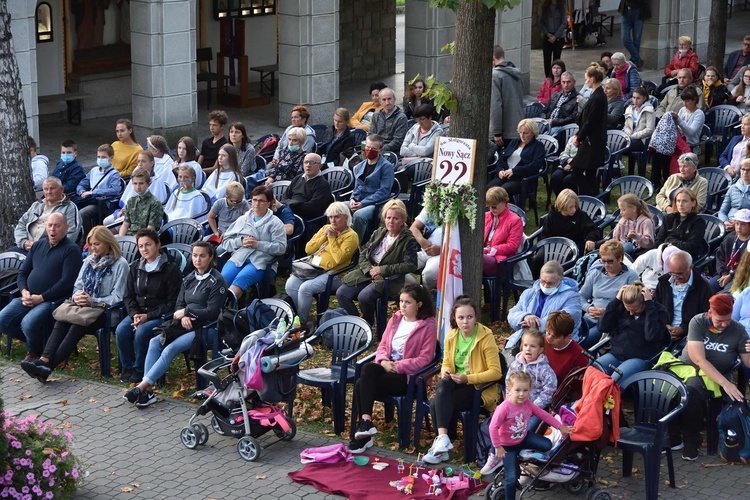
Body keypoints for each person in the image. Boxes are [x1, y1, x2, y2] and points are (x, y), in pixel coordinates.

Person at [124, 242, 228, 408]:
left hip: (205, 328)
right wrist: (183, 313)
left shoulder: (217, 281)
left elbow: (212, 312)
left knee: (170, 349)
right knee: (154, 342)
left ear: (210, 257)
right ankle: (148, 390)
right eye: (195, 255)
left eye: (202, 256)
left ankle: (142, 387)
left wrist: (188, 312)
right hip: (182, 325)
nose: (198, 259)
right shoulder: (189, 278)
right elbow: (178, 305)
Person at [20, 226, 128, 382]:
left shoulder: (120, 265)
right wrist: (78, 296)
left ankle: (47, 366)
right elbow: (77, 285)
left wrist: (93, 301)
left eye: (97, 244)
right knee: (62, 319)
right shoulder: (88, 261)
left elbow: (118, 297)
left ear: (107, 243)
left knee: (77, 325)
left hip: (105, 311)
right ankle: (44, 361)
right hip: (82, 307)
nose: (92, 248)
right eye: (90, 244)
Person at [349, 284, 437, 453]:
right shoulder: (395, 319)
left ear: (419, 304)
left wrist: (398, 366)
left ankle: (364, 436)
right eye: (401, 301)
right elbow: (382, 346)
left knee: (361, 384)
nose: (402, 306)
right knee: (367, 369)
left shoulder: (428, 326)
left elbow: (425, 359)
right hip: (387, 366)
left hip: (408, 376)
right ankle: (366, 422)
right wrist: (383, 361)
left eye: (407, 302)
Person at [423, 296, 503, 464]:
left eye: (469, 317)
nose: (465, 321)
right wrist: (445, 371)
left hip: (478, 388)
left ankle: (442, 446)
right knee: (443, 384)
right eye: (461, 317)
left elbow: (496, 373)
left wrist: (468, 378)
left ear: (475, 317)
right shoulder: (451, 335)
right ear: (455, 318)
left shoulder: (485, 336)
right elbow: (446, 363)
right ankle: (444, 439)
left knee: (435, 403)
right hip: (454, 384)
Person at [670, 294, 750, 461]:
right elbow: (699, 359)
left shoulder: (738, 330)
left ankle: (691, 442)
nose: (724, 324)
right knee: (662, 389)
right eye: (719, 320)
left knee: (690, 393)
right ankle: (672, 437)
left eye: (727, 319)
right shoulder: (698, 322)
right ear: (710, 313)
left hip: (713, 376)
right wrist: (726, 384)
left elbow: (747, 363)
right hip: (688, 368)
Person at [0, 213, 82, 360]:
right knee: (2, 320)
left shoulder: (71, 250)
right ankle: (40, 344)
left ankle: (34, 352)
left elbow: (66, 282)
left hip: (52, 300)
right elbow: (23, 272)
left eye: (57, 226)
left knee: (28, 323)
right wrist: (24, 291)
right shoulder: (38, 245)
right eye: (50, 225)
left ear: (66, 228)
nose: (53, 229)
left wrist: (41, 297)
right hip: (28, 296)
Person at [479, 371, 571, 494]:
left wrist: (560, 427)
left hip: (523, 438)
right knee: (511, 479)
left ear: (530, 390)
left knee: (548, 445)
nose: (522, 394)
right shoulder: (504, 408)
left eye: (525, 390)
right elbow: (492, 427)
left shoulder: (527, 403)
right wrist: (497, 446)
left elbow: (543, 414)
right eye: (517, 390)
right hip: (507, 447)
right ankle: (498, 460)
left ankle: (526, 462)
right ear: (509, 390)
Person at [115, 229, 182, 383]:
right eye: (140, 246)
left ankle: (140, 369)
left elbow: (172, 302)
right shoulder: (135, 266)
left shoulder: (170, 269)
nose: (144, 249)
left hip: (159, 315)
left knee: (142, 332)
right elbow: (128, 295)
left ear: (158, 245)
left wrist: (148, 316)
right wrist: (134, 314)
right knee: (121, 330)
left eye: (148, 245)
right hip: (138, 313)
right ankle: (127, 367)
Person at [336, 199, 417, 325]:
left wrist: (382, 270)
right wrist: (370, 270)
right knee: (342, 293)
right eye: (388, 217)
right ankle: (357, 324)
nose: (391, 221)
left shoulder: (408, 239)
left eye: (395, 218)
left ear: (403, 220)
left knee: (364, 297)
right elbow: (363, 254)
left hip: (389, 279)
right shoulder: (379, 232)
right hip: (369, 273)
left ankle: (367, 324)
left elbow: (411, 264)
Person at [285, 201, 358, 325]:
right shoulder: (325, 228)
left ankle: (301, 323)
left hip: (335, 274)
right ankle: (306, 317)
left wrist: (331, 238)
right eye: (330, 217)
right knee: (290, 285)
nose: (333, 221)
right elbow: (308, 249)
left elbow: (338, 259)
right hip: (314, 268)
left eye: (336, 217)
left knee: (305, 289)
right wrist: (324, 237)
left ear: (346, 217)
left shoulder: (351, 236)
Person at [220, 186, 287, 303]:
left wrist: (258, 245)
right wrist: (240, 241)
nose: (257, 203)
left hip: (261, 261)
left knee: (240, 279)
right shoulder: (243, 219)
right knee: (222, 280)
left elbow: (281, 248)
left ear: (269, 203)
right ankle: (214, 311)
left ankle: (226, 311)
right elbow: (225, 242)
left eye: (261, 201)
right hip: (240, 257)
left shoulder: (276, 223)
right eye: (254, 200)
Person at [597, 281, 669, 384]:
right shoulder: (620, 307)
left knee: (613, 381)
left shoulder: (659, 311)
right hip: (616, 354)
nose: (631, 313)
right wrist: (616, 301)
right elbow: (602, 327)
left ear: (644, 302)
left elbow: (651, 336)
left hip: (639, 357)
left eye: (635, 310)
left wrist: (649, 307)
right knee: (592, 372)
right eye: (628, 309)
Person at [507, 260, 582, 348]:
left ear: (560, 281)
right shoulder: (529, 293)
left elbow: (566, 319)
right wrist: (525, 316)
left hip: (556, 344)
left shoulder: (572, 296)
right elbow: (512, 313)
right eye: (542, 281)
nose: (545, 286)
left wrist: (535, 324)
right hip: (527, 340)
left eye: (550, 283)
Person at [580, 240, 640, 347]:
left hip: (610, 323)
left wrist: (608, 312)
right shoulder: (596, 273)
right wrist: (588, 308)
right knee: (569, 334)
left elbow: (634, 306)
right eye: (603, 261)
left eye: (610, 261)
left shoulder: (630, 276)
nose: (606, 265)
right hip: (589, 316)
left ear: (620, 258)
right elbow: (581, 296)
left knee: (583, 341)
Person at [654, 250, 712, 353]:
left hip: (690, 335)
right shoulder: (663, 283)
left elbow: (707, 317)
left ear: (691, 268)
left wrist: (683, 329)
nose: (675, 277)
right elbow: (656, 308)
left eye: (680, 273)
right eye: (672, 273)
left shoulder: (704, 288)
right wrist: (665, 326)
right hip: (662, 331)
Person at [13, 177, 81, 254]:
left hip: (49, 251)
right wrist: (23, 242)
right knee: (4, 259)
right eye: (46, 189)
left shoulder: (70, 208)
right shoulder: (36, 205)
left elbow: (71, 234)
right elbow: (21, 224)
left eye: (52, 189)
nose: (49, 192)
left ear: (61, 189)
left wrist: (47, 247)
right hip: (26, 248)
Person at [507, 329, 558, 427]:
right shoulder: (516, 365)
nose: (528, 349)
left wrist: (533, 407)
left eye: (533, 346)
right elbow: (508, 383)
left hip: (535, 409)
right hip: (515, 404)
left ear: (540, 349)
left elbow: (549, 391)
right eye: (525, 345)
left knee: (526, 428)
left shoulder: (544, 370)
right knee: (506, 425)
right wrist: (511, 400)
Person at [349, 134, 395, 242]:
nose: (369, 150)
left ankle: (355, 246)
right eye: (368, 147)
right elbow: (356, 188)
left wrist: (363, 203)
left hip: (376, 204)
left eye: (373, 149)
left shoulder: (386, 167)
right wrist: (353, 199)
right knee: (336, 208)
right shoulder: (360, 165)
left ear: (380, 150)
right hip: (359, 200)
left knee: (359, 215)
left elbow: (384, 191)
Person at [570, 64, 607, 196]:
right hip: (592, 140)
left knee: (578, 170)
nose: (585, 82)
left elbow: (591, 121)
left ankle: (590, 197)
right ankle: (592, 198)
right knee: (590, 174)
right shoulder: (596, 95)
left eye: (586, 79)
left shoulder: (598, 98)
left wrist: (579, 137)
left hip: (592, 142)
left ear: (592, 79)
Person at [105, 151, 169, 225]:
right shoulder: (136, 177)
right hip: (130, 210)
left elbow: (155, 206)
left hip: (145, 216)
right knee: (107, 221)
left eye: (143, 161)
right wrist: (124, 209)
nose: (140, 164)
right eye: (138, 161)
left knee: (116, 225)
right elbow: (130, 197)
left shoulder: (157, 181)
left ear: (151, 163)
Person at [487, 119, 546, 199]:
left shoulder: (538, 146)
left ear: (533, 133)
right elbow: (502, 158)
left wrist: (514, 171)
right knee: (489, 188)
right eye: (520, 132)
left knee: (502, 192)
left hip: (521, 178)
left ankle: (503, 209)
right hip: (505, 175)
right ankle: (488, 209)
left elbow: (535, 165)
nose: (522, 135)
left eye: (526, 133)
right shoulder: (514, 142)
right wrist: (500, 170)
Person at [539, 189, 599, 260]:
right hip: (554, 246)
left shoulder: (580, 215)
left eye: (575, 206)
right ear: (562, 206)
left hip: (574, 247)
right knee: (538, 258)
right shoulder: (552, 216)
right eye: (571, 207)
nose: (574, 209)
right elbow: (545, 235)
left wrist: (590, 239)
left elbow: (592, 229)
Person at [483, 186, 524, 276]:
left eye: (494, 207)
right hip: (484, 255)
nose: (491, 210)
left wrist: (488, 250)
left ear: (504, 202)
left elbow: (512, 246)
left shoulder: (515, 220)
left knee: (477, 258)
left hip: (501, 260)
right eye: (488, 206)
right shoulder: (486, 216)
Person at [654, 189, 707, 259]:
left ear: (693, 203)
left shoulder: (699, 222)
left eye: (685, 201)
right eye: (678, 201)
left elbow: (690, 247)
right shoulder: (669, 218)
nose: (681, 204)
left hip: (684, 258)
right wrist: (671, 244)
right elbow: (658, 241)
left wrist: (669, 240)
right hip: (663, 254)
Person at [491, 45, 524, 148]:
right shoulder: (517, 73)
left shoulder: (495, 75)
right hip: (517, 127)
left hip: (503, 131)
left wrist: (496, 132)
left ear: (492, 58)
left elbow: (495, 105)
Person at [709, 209, 750, 293]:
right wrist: (724, 273)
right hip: (724, 274)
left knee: (723, 295)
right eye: (737, 223)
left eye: (743, 224)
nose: (739, 227)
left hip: (740, 277)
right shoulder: (729, 238)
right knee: (706, 288)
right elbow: (719, 257)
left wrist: (730, 276)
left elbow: (747, 267)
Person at [285, 153, 332, 222]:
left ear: (320, 166)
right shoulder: (298, 178)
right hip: (290, 212)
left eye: (312, 163)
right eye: (306, 162)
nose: (308, 165)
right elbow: (285, 196)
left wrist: (291, 206)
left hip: (308, 219)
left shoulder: (323, 184)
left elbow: (312, 208)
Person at [118, 168, 164, 237]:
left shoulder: (155, 203)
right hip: (129, 237)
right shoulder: (131, 201)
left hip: (145, 238)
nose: (138, 187)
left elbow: (150, 229)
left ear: (148, 184)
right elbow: (125, 224)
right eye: (135, 184)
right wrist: (121, 240)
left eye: (141, 183)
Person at [544, 311, 589, 381]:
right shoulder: (541, 342)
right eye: (548, 333)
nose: (549, 338)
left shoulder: (579, 356)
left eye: (555, 337)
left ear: (568, 337)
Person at [623, 86, 655, 175]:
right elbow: (626, 125)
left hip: (642, 141)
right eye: (633, 98)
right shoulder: (630, 109)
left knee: (620, 145)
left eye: (638, 98)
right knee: (615, 144)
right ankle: (614, 169)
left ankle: (614, 169)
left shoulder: (649, 110)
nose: (635, 100)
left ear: (644, 98)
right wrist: (627, 132)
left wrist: (633, 136)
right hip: (630, 138)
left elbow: (649, 130)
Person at [408, 207, 442, 291]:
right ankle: (418, 291)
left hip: (443, 253)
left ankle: (426, 296)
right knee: (397, 265)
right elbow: (413, 228)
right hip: (424, 249)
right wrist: (421, 240)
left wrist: (440, 249)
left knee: (429, 274)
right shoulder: (433, 204)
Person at [370, 87, 408, 154]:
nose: (387, 102)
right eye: (384, 100)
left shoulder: (401, 117)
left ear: (394, 99)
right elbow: (371, 134)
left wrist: (381, 150)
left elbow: (398, 141)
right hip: (375, 149)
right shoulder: (376, 115)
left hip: (392, 152)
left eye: (389, 99)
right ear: (380, 101)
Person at [719, 158, 750, 231]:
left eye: (748, 170)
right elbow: (722, 211)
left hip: (745, 227)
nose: (745, 172)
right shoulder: (733, 188)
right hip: (729, 224)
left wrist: (737, 225)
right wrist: (725, 222)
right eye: (743, 169)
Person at [618, 1, 650, 69]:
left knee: (637, 39)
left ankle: (634, 62)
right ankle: (638, 59)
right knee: (625, 39)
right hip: (626, 10)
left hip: (638, 10)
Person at [539, 0, 567, 78]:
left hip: (558, 37)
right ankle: (548, 79)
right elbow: (541, 22)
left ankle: (557, 79)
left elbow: (564, 22)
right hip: (547, 36)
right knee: (547, 60)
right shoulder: (545, 6)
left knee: (556, 61)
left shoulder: (562, 6)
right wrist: (547, 34)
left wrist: (556, 36)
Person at [197, 110, 228, 174]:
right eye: (210, 125)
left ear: (222, 126)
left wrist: (199, 171)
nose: (211, 128)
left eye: (215, 125)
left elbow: (215, 167)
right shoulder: (206, 142)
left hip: (212, 173)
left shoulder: (224, 145)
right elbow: (199, 162)